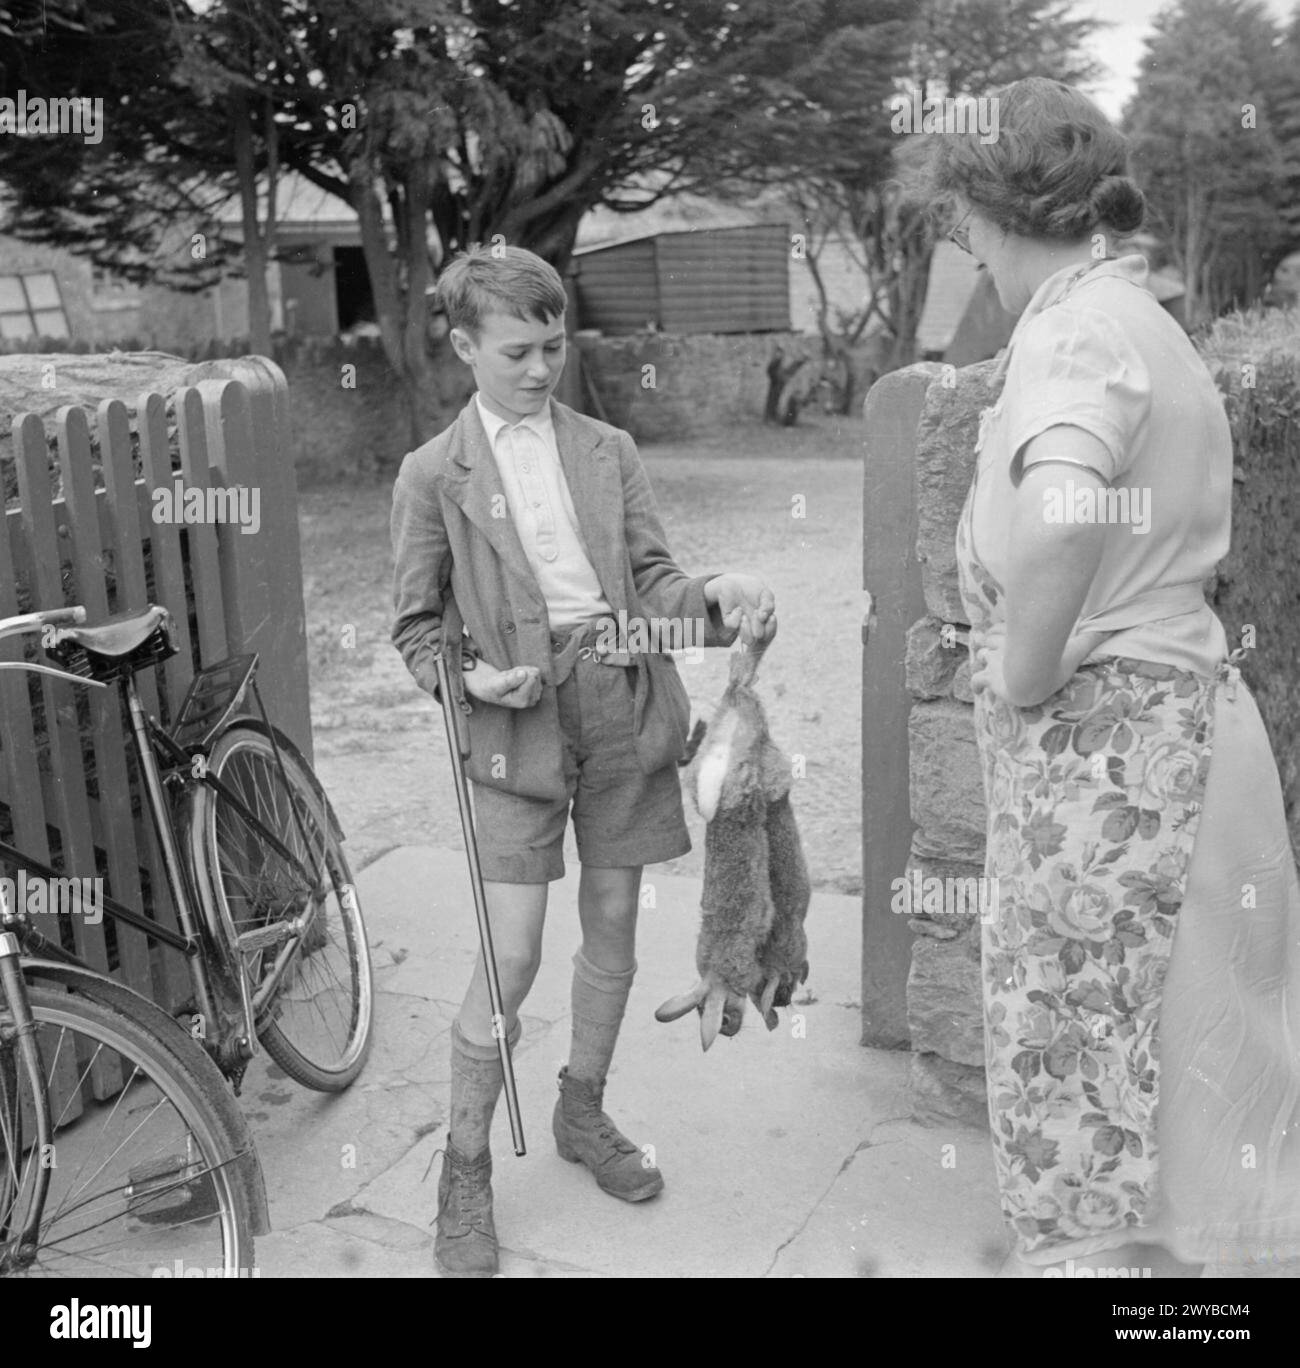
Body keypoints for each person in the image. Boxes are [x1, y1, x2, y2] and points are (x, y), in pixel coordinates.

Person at [905, 76, 1300, 1277]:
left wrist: (1021, 673)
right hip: (1180, 750)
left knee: (1103, 1117)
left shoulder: (1072, 327)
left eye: (953, 219)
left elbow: (1068, 506)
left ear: (980, 212)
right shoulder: (1140, 318)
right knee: (1195, 1119)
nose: (955, 244)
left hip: (1115, 781)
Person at [390, 244, 777, 1277]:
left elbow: (650, 584)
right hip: (510, 728)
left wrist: (715, 592)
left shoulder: (607, 448)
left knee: (612, 920)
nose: (537, 368)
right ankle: (464, 1166)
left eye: (552, 346)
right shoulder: (432, 475)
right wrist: (462, 683)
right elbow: (415, 629)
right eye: (515, 350)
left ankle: (581, 1110)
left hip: (619, 708)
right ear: (464, 346)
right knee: (510, 956)